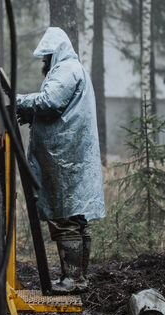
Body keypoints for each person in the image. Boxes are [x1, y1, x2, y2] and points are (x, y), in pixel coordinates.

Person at [16, 27, 106, 293]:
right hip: (68, 155)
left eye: (46, 56)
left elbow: (50, 102)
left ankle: (73, 279)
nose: (44, 61)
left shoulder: (66, 70)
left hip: (63, 157)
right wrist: (31, 115)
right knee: (76, 217)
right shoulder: (70, 69)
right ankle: (77, 278)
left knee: (65, 216)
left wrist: (16, 101)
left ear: (56, 53)